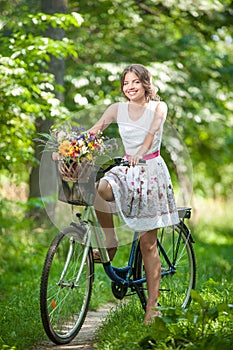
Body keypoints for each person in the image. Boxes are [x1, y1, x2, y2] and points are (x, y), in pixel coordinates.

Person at [89, 63, 179, 323]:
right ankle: (111, 242)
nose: (130, 87)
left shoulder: (157, 107)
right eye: (126, 83)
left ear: (145, 84)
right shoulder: (117, 109)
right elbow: (94, 132)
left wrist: (141, 152)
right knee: (99, 190)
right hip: (127, 168)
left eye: (135, 82)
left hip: (150, 171)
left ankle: (153, 307)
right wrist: (69, 148)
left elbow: (152, 132)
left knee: (147, 243)